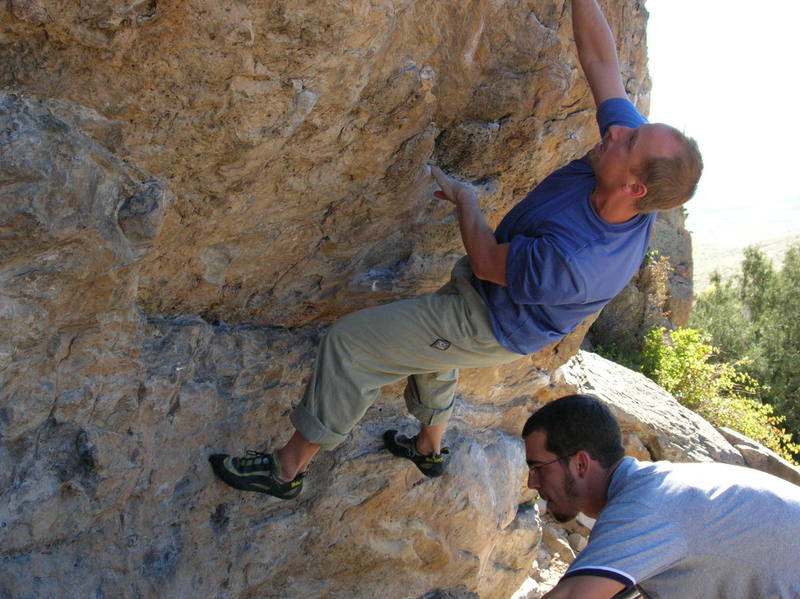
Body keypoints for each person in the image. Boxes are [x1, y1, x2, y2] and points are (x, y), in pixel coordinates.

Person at [209, 0, 703, 500]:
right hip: (491, 299)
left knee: (353, 343)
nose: (617, 129)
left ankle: (285, 470)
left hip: (490, 320)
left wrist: (467, 201)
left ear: (636, 188)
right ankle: (428, 448)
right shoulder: (622, 170)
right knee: (429, 345)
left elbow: (489, 263)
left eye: (630, 140)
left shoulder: (578, 261)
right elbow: (601, 61)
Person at [523, 394, 800, 599]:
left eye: (538, 467)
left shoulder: (645, 506)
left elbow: (572, 597)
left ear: (581, 464)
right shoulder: (654, 490)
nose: (531, 482)